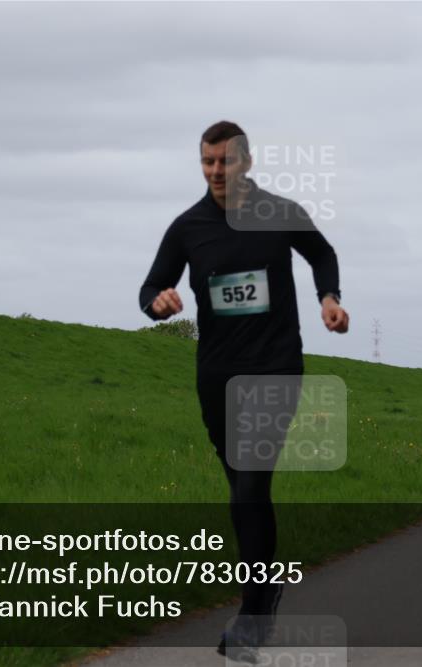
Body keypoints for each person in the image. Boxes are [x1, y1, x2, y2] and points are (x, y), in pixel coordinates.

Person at [138, 121, 349, 660]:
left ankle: (253, 617)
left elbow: (322, 253)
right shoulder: (188, 228)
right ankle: (265, 590)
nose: (214, 172)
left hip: (275, 368)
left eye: (224, 163)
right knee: (243, 490)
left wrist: (329, 297)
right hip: (216, 375)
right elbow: (150, 285)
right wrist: (157, 303)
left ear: (246, 162)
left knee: (250, 484)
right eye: (206, 163)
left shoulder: (281, 212)